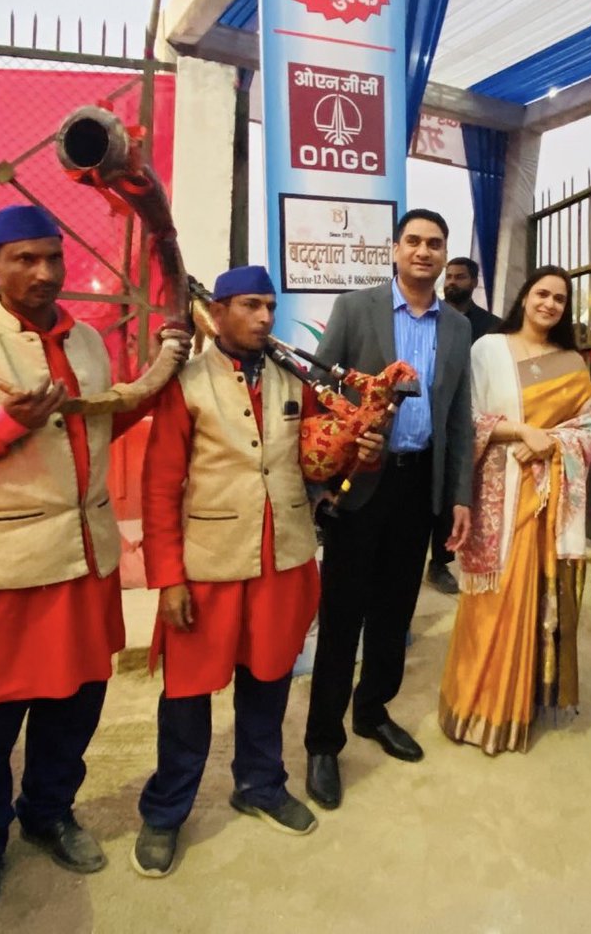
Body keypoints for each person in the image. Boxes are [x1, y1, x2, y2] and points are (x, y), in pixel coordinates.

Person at [0, 205, 187, 930]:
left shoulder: (87, 339)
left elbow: (101, 418)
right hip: (7, 566)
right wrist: (1, 426)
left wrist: (162, 367)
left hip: (86, 563)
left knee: (76, 706)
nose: (45, 273)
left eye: (53, 258)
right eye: (25, 259)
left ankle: (48, 814)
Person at [131, 266, 377, 876]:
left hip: (284, 560)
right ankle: (166, 812)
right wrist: (168, 579)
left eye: (271, 306)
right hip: (208, 565)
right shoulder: (185, 384)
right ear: (217, 312)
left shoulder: (298, 379)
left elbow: (321, 459)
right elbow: (159, 489)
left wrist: (357, 453)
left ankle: (260, 784)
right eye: (251, 305)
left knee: (268, 680)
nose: (266, 317)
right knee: (187, 696)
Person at [303, 209, 474, 810]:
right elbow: (320, 390)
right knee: (343, 615)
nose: (424, 252)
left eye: (435, 243)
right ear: (394, 250)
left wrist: (457, 496)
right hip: (360, 485)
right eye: (414, 242)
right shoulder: (357, 310)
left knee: (395, 613)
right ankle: (323, 741)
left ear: (446, 254)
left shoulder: (457, 328)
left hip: (417, 486)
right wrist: (326, 470)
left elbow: (458, 418)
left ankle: (372, 711)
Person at [438, 266, 591, 754]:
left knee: (530, 601)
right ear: (524, 298)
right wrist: (518, 433)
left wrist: (548, 441)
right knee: (490, 601)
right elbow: (464, 416)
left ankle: (512, 711)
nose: (549, 304)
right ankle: (472, 705)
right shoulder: (489, 348)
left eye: (559, 299)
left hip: (544, 497)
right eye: (542, 294)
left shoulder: (571, 361)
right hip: (496, 495)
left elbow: (588, 428)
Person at [426, 257, 502, 595]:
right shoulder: (434, 318)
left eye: (460, 277)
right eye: (450, 276)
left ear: (474, 282)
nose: (452, 282)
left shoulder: (493, 326)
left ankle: (440, 562)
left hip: (476, 420)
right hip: (434, 416)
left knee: (458, 493)